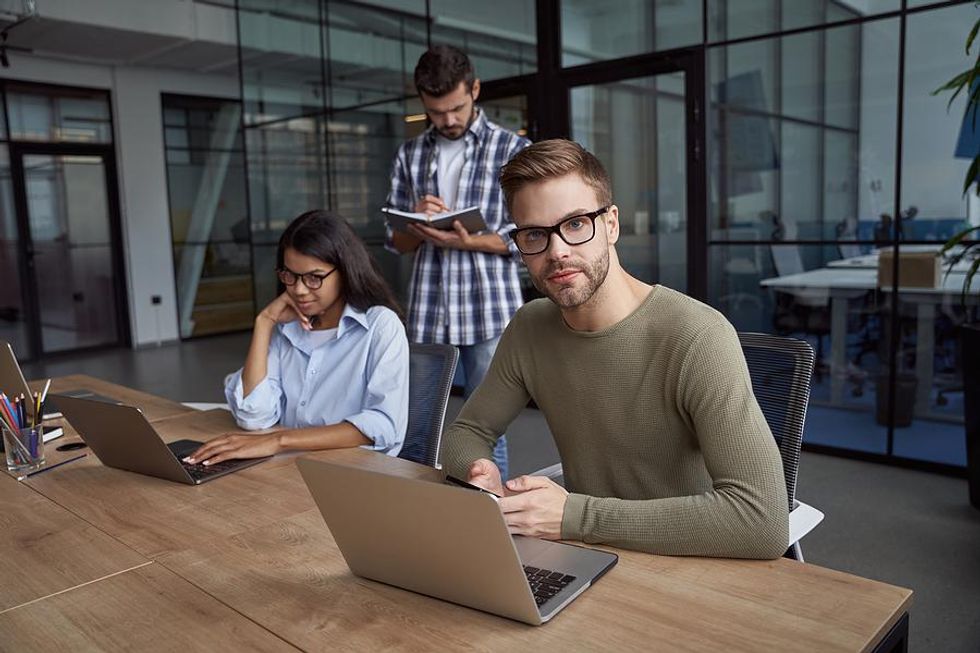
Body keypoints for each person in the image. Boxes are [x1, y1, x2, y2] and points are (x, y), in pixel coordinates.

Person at [441, 139, 790, 559]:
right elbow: (468, 433)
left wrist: (575, 516)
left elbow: (761, 520)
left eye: (575, 224)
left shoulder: (698, 336)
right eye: (535, 235)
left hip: (690, 561)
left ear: (611, 225)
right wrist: (481, 475)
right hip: (590, 555)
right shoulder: (531, 327)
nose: (557, 253)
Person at [385, 45, 529, 481]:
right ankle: (416, 513)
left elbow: (529, 235)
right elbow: (396, 242)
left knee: (487, 428)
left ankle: (492, 512)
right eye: (435, 111)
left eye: (456, 108)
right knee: (418, 422)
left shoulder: (513, 148)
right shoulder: (410, 155)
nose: (447, 120)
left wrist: (471, 240)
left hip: (488, 310)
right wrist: (416, 222)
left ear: (475, 90)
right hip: (430, 310)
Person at [186, 210, 409, 466]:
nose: (299, 290)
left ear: (346, 271)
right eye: (289, 275)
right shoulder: (287, 328)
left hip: (353, 473)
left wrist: (280, 440)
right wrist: (265, 322)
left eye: (314, 277)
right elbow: (254, 416)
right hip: (289, 468)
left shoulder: (380, 326)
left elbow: (383, 424)